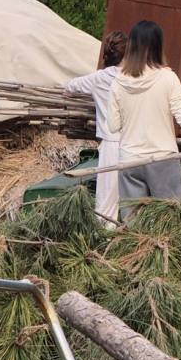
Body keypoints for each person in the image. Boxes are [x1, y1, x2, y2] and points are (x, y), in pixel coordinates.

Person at [108, 20, 181, 217]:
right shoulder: (168, 78)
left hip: (129, 161)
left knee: (133, 224)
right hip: (162, 159)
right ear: (158, 45)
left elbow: (113, 125)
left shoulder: (118, 82)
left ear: (131, 46)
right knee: (171, 220)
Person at [63, 31, 128, 226]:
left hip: (111, 144)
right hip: (136, 143)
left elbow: (69, 87)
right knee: (132, 199)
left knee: (107, 202)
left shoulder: (99, 78)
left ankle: (105, 237)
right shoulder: (137, 78)